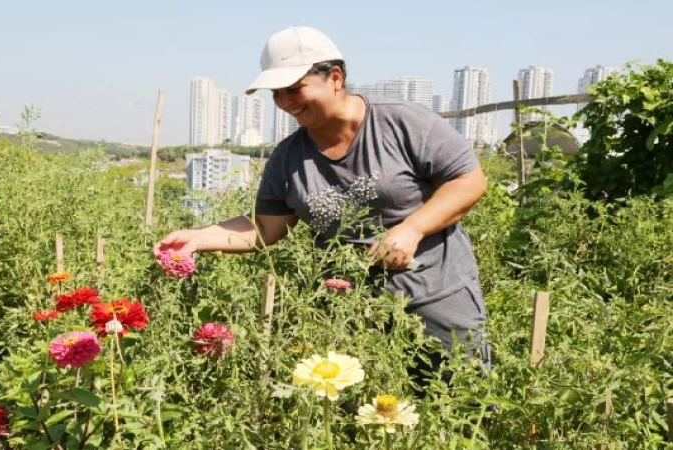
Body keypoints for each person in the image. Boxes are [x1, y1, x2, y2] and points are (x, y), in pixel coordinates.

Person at [154, 26, 490, 379]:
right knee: (356, 422)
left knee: (461, 408)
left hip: (436, 299)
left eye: (295, 88)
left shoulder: (402, 122)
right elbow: (265, 227)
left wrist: (412, 228)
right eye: (276, 93)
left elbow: (469, 181)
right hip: (349, 315)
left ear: (335, 77)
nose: (285, 102)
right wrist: (198, 238)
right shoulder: (288, 157)